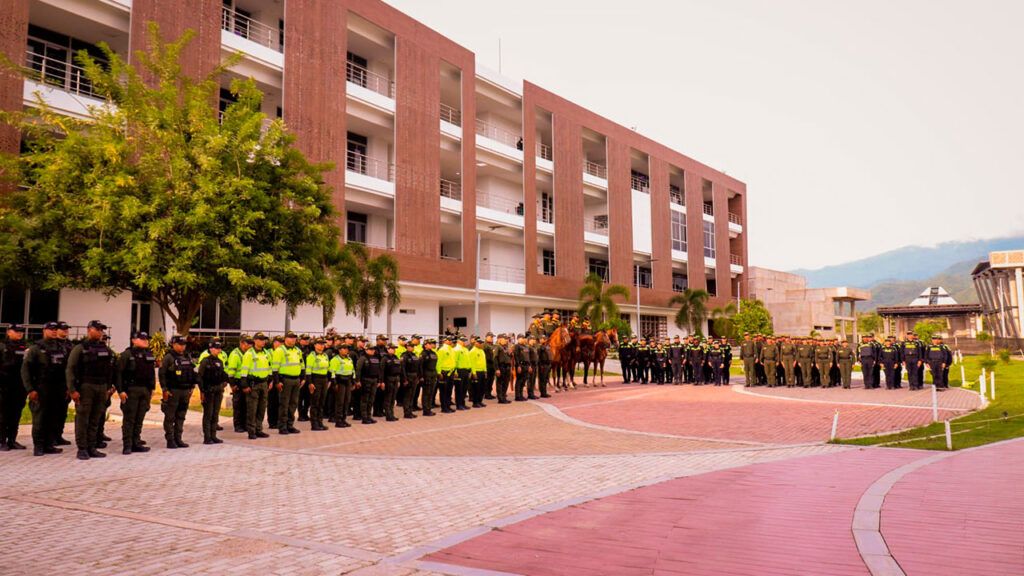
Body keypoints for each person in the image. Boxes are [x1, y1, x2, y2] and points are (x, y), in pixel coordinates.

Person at [66, 320, 116, 460]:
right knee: (83, 418)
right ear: (89, 330)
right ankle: (82, 448)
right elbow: (70, 369)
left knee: (95, 419)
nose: (100, 332)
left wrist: (109, 387)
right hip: (86, 387)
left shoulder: (106, 349)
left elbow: (110, 369)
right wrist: (72, 390)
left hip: (101, 388)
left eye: (102, 330)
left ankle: (92, 447)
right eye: (98, 329)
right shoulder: (80, 348)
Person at [21, 322, 67, 456]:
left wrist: (67, 387)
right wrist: (30, 389)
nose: (54, 332)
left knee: (53, 417)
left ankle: (49, 444)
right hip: (41, 388)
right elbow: (25, 370)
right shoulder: (35, 348)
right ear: (44, 330)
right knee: (40, 418)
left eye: (55, 329)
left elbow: (65, 369)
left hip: (57, 388)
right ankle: (38, 446)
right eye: (51, 329)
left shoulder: (61, 347)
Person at [114, 331, 156, 454]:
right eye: (142, 339)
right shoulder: (126, 355)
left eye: (146, 339)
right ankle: (127, 445)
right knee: (129, 419)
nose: (145, 341)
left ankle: (136, 443)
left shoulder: (149, 354)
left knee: (139, 418)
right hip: (131, 390)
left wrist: (152, 389)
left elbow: (151, 373)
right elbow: (118, 374)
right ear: (133, 340)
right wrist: (120, 391)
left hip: (145, 390)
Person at [159, 335, 196, 450]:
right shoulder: (169, 357)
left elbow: (192, 373)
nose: (182, 346)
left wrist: (192, 387)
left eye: (184, 344)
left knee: (181, 415)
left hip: (185, 391)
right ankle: (170, 440)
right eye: (180, 344)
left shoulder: (187, 356)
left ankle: (178, 438)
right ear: (173, 344)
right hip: (173, 391)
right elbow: (162, 374)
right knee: (170, 416)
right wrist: (164, 389)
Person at [0, 324, 28, 451]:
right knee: (3, 414)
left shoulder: (24, 348)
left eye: (21, 332)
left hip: (19, 386)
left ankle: (12, 440)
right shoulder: (2, 347)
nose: (20, 334)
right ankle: (2, 441)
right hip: (4, 386)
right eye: (17, 331)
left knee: (16, 414)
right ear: (9, 332)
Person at [272, 331, 304, 435]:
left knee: (293, 404)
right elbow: (275, 368)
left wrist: (302, 378)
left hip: (296, 380)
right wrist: (277, 382)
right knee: (284, 404)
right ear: (285, 339)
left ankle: (290, 425)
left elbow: (302, 365)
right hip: (285, 380)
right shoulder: (280, 350)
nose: (293, 339)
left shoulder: (298, 350)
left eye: (294, 338)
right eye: (291, 337)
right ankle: (282, 426)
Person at [197, 340, 228, 444]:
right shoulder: (205, 361)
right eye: (217, 348)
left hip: (218, 391)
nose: (219, 350)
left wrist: (225, 382)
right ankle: (207, 437)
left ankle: (213, 435)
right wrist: (202, 391)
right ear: (211, 349)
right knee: (208, 414)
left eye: (220, 348)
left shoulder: (220, 361)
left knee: (215, 414)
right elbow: (200, 377)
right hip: (208, 391)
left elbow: (223, 375)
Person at [303, 338, 331, 431]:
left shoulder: (325, 355)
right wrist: (310, 383)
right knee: (315, 402)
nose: (322, 345)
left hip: (324, 380)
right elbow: (308, 370)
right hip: (315, 379)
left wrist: (329, 380)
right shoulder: (312, 356)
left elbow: (328, 369)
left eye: (323, 344)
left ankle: (320, 422)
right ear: (315, 345)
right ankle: (314, 424)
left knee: (322, 402)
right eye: (319, 344)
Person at [226, 335, 250, 433]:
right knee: (238, 405)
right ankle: (238, 425)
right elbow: (231, 372)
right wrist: (232, 385)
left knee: (246, 405)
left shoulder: (248, 353)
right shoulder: (235, 354)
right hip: (237, 382)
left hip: (246, 381)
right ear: (241, 343)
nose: (249, 345)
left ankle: (244, 425)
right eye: (247, 343)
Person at [355, 344, 383, 424]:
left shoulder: (376, 358)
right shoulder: (362, 358)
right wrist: (357, 381)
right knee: (365, 399)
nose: (372, 351)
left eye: (373, 349)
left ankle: (369, 416)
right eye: (370, 349)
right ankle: (364, 417)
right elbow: (358, 370)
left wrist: (378, 381)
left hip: (374, 380)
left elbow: (378, 370)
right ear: (366, 350)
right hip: (365, 380)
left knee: (371, 399)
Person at [329, 344, 355, 427]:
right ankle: (338, 421)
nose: (346, 350)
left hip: (348, 382)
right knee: (340, 402)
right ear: (339, 350)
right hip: (340, 382)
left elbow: (352, 371)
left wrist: (353, 382)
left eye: (347, 348)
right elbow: (332, 372)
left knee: (347, 401)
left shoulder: (349, 359)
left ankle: (343, 419)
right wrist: (334, 383)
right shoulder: (335, 359)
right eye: (344, 348)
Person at [381, 343, 403, 421]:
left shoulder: (395, 357)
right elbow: (382, 371)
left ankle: (392, 414)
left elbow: (399, 369)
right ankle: (388, 415)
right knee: (388, 397)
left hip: (396, 379)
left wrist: (399, 380)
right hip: (388, 379)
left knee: (393, 398)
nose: (394, 350)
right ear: (388, 349)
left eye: (394, 348)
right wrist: (382, 382)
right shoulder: (385, 358)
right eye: (392, 348)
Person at [401, 340, 422, 419]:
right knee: (407, 395)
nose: (412, 348)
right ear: (407, 347)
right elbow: (402, 368)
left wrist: (418, 376)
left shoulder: (414, 355)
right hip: (408, 376)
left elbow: (417, 367)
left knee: (412, 395)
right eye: (410, 346)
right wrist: (405, 379)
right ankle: (406, 412)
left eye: (413, 346)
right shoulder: (404, 355)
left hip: (414, 376)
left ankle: (410, 411)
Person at [436, 336, 456, 413]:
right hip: (444, 372)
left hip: (451, 372)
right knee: (443, 391)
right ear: (445, 341)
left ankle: (448, 406)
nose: (450, 341)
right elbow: (438, 362)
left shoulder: (452, 350)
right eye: (449, 340)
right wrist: (439, 372)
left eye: (451, 340)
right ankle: (444, 407)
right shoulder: (442, 350)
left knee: (449, 390)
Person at [419, 339, 438, 416]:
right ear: (425, 345)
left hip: (433, 373)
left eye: (431, 344)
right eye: (429, 344)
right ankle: (425, 410)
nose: (431, 345)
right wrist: (421, 376)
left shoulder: (433, 353)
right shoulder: (423, 354)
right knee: (426, 393)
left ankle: (429, 408)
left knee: (431, 392)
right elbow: (420, 366)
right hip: (426, 374)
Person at [468, 338, 488, 408]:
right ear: (477, 343)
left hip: (482, 371)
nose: (482, 345)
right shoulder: (472, 351)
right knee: (476, 388)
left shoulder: (482, 351)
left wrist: (485, 371)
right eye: (481, 343)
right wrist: (474, 373)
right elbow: (472, 363)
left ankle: (480, 401)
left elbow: (484, 362)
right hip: (476, 372)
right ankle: (475, 402)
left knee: (482, 388)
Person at [453, 336, 471, 410]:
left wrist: (469, 370)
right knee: (459, 389)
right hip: (459, 371)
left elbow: (468, 361)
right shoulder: (456, 349)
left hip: (466, 370)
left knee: (464, 388)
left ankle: (463, 403)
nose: (464, 342)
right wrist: (455, 371)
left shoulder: (466, 349)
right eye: (462, 340)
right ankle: (459, 404)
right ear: (458, 341)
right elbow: (454, 361)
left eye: (465, 340)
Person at [493, 334, 512, 404]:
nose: (506, 340)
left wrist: (510, 354)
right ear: (500, 339)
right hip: (501, 367)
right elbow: (495, 359)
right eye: (505, 339)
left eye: (507, 339)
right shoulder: (497, 347)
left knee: (506, 383)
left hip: (507, 367)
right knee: (500, 383)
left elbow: (509, 358)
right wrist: (497, 369)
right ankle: (500, 398)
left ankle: (504, 397)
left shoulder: (506, 347)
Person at [513, 334, 531, 401]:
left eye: (524, 338)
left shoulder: (526, 346)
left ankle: (521, 395)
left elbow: (528, 357)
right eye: (522, 338)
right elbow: (516, 356)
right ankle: (517, 396)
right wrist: (518, 366)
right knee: (519, 381)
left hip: (526, 365)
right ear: (518, 339)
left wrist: (529, 365)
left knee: (523, 381)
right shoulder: (517, 346)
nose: (523, 339)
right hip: (520, 365)